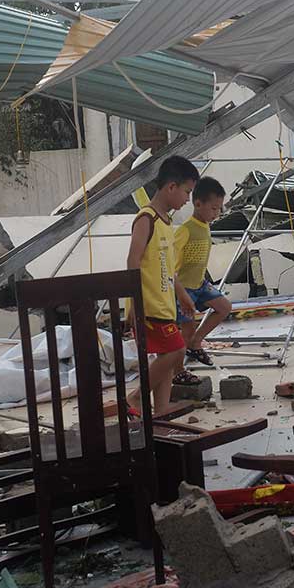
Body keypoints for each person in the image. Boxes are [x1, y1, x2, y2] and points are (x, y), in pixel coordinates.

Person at [126, 155, 199, 412]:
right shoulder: (147, 219)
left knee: (167, 355)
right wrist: (135, 302)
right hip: (148, 305)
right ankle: (136, 397)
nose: (187, 199)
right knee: (176, 351)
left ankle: (162, 407)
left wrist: (182, 296)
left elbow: (170, 270)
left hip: (165, 303)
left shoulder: (167, 222)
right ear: (171, 187)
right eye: (186, 192)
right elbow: (133, 262)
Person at [173, 176, 233, 369]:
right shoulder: (185, 230)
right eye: (214, 208)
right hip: (185, 288)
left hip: (199, 284)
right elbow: (171, 266)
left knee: (224, 307)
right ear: (198, 204)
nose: (217, 213)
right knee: (186, 330)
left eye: (219, 208)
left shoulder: (206, 226)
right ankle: (178, 370)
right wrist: (180, 293)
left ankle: (196, 343)